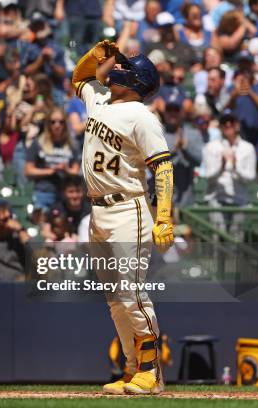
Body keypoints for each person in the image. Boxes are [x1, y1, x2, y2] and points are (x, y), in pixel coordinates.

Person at [72, 41, 175, 394]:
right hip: (98, 211)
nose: (118, 67)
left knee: (130, 294)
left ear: (135, 80)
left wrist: (164, 216)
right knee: (116, 300)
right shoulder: (100, 100)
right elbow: (78, 78)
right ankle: (133, 370)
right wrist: (96, 56)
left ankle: (152, 372)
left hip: (127, 208)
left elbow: (162, 166)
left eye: (126, 66)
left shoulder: (143, 117)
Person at [202, 110, 256, 240]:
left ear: (237, 125)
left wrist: (236, 166)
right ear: (220, 127)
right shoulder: (211, 147)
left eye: (231, 123)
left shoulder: (247, 148)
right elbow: (208, 175)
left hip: (239, 199)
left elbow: (251, 177)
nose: (228, 125)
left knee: (236, 240)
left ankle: (234, 261)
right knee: (216, 239)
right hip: (217, 199)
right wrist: (221, 164)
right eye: (224, 123)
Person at [24, 106, 80, 213]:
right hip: (44, 192)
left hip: (65, 195)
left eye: (61, 122)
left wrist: (66, 170)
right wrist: (51, 171)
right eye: (53, 122)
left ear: (65, 124)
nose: (57, 125)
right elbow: (28, 170)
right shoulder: (38, 143)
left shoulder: (73, 144)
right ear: (48, 124)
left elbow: (75, 170)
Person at [42, 175, 91, 241]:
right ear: (64, 193)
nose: (75, 195)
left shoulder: (90, 210)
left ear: (84, 192)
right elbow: (45, 232)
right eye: (71, 192)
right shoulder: (56, 209)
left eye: (78, 191)